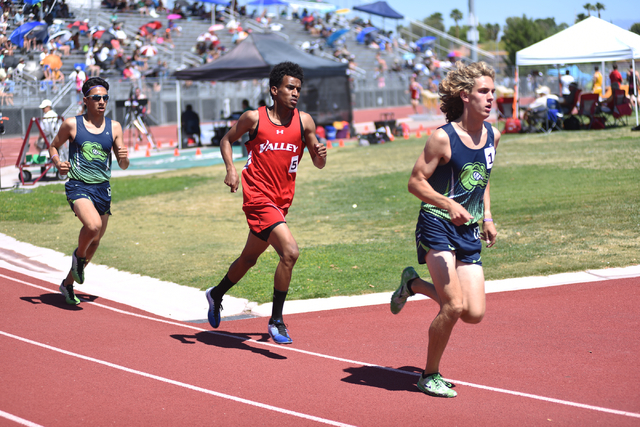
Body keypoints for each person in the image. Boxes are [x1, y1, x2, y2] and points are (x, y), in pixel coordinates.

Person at [390, 61, 500, 398]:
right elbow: (414, 183)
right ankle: (429, 374)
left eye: (493, 91)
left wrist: (488, 217)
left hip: (467, 230)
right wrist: (448, 204)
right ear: (466, 96)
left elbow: (483, 179)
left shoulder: (493, 134)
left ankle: (412, 283)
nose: (491, 98)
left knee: (473, 314)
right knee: (452, 306)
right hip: (436, 224)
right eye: (484, 91)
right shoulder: (443, 138)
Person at [205, 62, 327, 344]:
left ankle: (216, 294)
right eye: (289, 88)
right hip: (258, 198)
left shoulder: (304, 121)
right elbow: (227, 140)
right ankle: (276, 320)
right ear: (274, 90)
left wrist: (321, 153)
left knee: (249, 259)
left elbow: (319, 164)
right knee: (290, 252)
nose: (295, 93)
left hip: (281, 201)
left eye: (298, 88)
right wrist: (231, 169)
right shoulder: (254, 118)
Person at [48, 77, 129, 305]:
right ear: (85, 100)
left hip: (103, 189)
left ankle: (67, 284)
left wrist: (124, 159)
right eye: (96, 98)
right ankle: (78, 256)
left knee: (96, 241)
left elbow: (123, 165)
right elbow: (54, 145)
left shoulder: (114, 127)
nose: (102, 102)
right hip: (79, 185)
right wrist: (58, 163)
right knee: (92, 227)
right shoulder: (72, 124)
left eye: (105, 98)